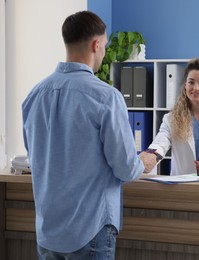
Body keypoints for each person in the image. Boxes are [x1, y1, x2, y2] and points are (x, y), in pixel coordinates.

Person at [22, 11, 145, 259]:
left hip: (48, 231)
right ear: (96, 45)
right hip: (90, 230)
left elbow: (35, 157)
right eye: (104, 46)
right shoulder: (106, 97)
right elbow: (125, 168)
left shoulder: (34, 95)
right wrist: (144, 162)